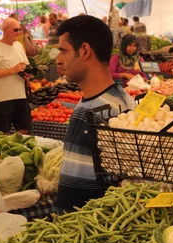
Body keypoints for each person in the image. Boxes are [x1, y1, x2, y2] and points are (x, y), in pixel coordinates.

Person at [55, 16, 135, 210]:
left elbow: (76, 197)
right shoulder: (121, 99)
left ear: (84, 51)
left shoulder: (93, 111)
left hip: (85, 226)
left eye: (63, 51)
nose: (58, 60)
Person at [0, 18, 31, 134]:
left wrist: (27, 74)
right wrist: (12, 70)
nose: (19, 32)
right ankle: (4, 151)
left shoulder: (19, 46)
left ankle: (17, 150)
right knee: (2, 132)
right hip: (3, 98)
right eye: (15, 30)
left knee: (24, 129)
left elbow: (24, 65)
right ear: (5, 30)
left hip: (21, 95)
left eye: (20, 29)